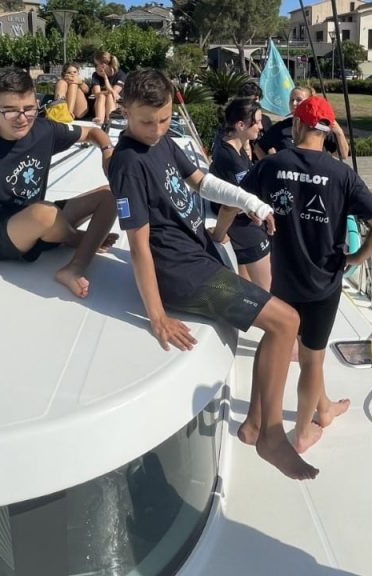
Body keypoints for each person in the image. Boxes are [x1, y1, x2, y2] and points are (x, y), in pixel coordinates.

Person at [107, 68, 318, 480]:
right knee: (286, 322)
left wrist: (251, 203)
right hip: (182, 275)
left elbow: (202, 182)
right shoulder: (127, 164)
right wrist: (158, 316)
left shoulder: (165, 140)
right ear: (124, 110)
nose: (156, 129)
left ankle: (257, 424)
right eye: (146, 121)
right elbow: (137, 246)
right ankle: (269, 436)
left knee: (286, 321)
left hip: (198, 255)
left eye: (164, 119)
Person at [241, 96, 372, 453]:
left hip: (283, 281)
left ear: (296, 126)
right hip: (323, 283)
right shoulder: (343, 175)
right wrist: (356, 257)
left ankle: (257, 422)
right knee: (312, 359)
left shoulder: (273, 165)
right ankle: (303, 432)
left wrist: (236, 227)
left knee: (272, 347)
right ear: (327, 132)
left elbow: (237, 199)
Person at [0, 67, 118, 298]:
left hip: (42, 220)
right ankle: (78, 238)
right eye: (11, 112)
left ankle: (74, 267)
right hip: (2, 233)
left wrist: (107, 151)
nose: (23, 119)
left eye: (29, 109)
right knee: (45, 213)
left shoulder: (44, 130)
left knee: (111, 194)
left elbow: (92, 133)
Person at [209, 97, 272, 291]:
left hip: (240, 223)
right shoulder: (231, 160)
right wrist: (219, 236)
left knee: (246, 288)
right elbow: (231, 204)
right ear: (241, 125)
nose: (261, 126)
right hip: (242, 228)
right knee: (267, 291)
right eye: (258, 121)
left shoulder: (232, 148)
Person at [255, 86, 349, 161]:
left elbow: (343, 155)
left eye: (299, 100)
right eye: (291, 100)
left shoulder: (320, 127)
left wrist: (339, 132)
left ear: (310, 102)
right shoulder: (280, 128)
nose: (294, 103)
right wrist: (269, 165)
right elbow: (258, 147)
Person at [90, 51, 125, 125]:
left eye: (96, 64)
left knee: (109, 96)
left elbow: (114, 93)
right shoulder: (96, 75)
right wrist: (106, 92)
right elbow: (97, 94)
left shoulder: (120, 74)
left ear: (103, 65)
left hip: (115, 104)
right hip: (100, 105)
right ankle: (99, 121)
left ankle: (110, 121)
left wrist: (105, 78)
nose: (95, 67)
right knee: (101, 96)